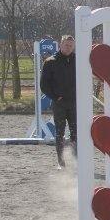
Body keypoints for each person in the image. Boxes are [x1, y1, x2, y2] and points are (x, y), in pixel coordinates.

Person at [40, 35, 76, 168]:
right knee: (60, 132)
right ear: (60, 45)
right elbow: (44, 85)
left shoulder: (78, 60)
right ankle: (61, 161)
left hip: (75, 103)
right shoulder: (50, 62)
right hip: (59, 104)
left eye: (71, 46)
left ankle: (75, 159)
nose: (69, 48)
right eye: (66, 45)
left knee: (76, 132)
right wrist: (55, 97)